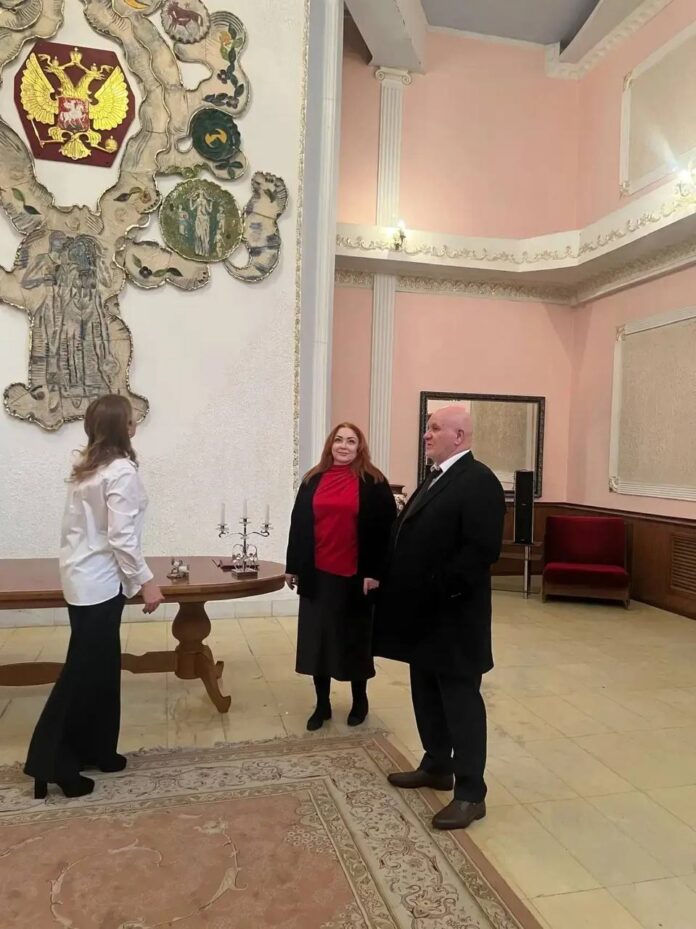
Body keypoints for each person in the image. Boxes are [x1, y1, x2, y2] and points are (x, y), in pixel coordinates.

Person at [24, 394, 164, 799]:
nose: (136, 423)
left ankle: (97, 750)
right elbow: (121, 536)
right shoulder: (120, 472)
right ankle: (51, 763)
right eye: (131, 419)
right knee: (83, 675)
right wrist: (146, 581)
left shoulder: (89, 469)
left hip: (82, 579)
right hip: (100, 583)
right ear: (122, 428)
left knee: (101, 669)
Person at [374, 405, 506, 830]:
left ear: (459, 436)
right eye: (427, 428)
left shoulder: (478, 480)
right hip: (425, 617)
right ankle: (436, 765)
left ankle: (470, 793)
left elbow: (481, 550)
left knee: (460, 702)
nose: (426, 435)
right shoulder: (436, 476)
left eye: (434, 428)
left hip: (454, 617)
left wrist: (439, 588)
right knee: (426, 692)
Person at [285, 423, 396, 730]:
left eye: (351, 441)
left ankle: (360, 701)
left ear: (360, 447)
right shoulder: (312, 479)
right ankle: (322, 704)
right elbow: (299, 524)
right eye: (339, 440)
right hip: (317, 575)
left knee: (354, 641)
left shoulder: (374, 482)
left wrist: (375, 572)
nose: (344, 446)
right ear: (330, 444)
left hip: (355, 577)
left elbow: (385, 532)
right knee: (317, 642)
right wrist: (293, 566)